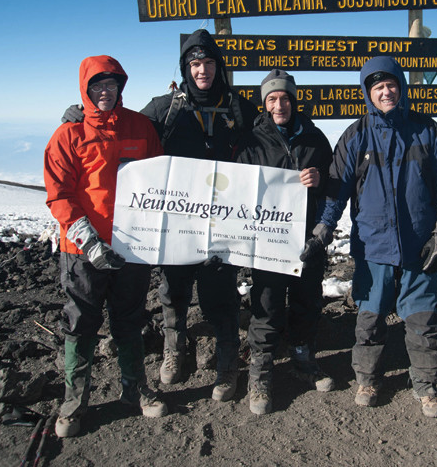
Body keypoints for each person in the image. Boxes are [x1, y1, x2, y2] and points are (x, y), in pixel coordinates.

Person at [302, 56, 437, 418]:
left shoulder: (427, 130)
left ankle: (426, 386)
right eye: (377, 88)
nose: (385, 92)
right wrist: (324, 227)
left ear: (401, 87)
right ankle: (368, 378)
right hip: (373, 246)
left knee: (424, 320)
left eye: (390, 85)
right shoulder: (357, 135)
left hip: (420, 245)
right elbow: (337, 189)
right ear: (367, 94)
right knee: (369, 319)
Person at [44, 55, 167, 438]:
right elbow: (59, 195)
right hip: (82, 252)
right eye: (97, 85)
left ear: (121, 87)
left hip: (132, 247)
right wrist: (88, 240)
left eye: (111, 85)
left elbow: (161, 179)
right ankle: (73, 404)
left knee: (130, 318)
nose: (104, 92)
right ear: (85, 89)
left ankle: (135, 389)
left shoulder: (141, 127)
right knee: (81, 323)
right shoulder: (67, 135)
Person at [139, 29, 259, 401]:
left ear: (217, 65)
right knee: (174, 290)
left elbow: (270, 140)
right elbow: (127, 131)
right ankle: (175, 351)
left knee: (220, 294)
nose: (201, 70)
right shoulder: (167, 107)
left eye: (208, 62)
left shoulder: (239, 107)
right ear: (185, 67)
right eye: (194, 63)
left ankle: (227, 367)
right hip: (178, 221)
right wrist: (82, 116)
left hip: (223, 220)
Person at [236, 69, 335, 415]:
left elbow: (334, 185)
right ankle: (260, 374)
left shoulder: (315, 138)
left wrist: (319, 179)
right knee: (267, 304)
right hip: (269, 241)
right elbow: (238, 189)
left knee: (308, 299)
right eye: (272, 99)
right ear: (264, 104)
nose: (280, 105)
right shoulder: (252, 141)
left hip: (308, 238)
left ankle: (302, 358)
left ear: (294, 101)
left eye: (285, 98)